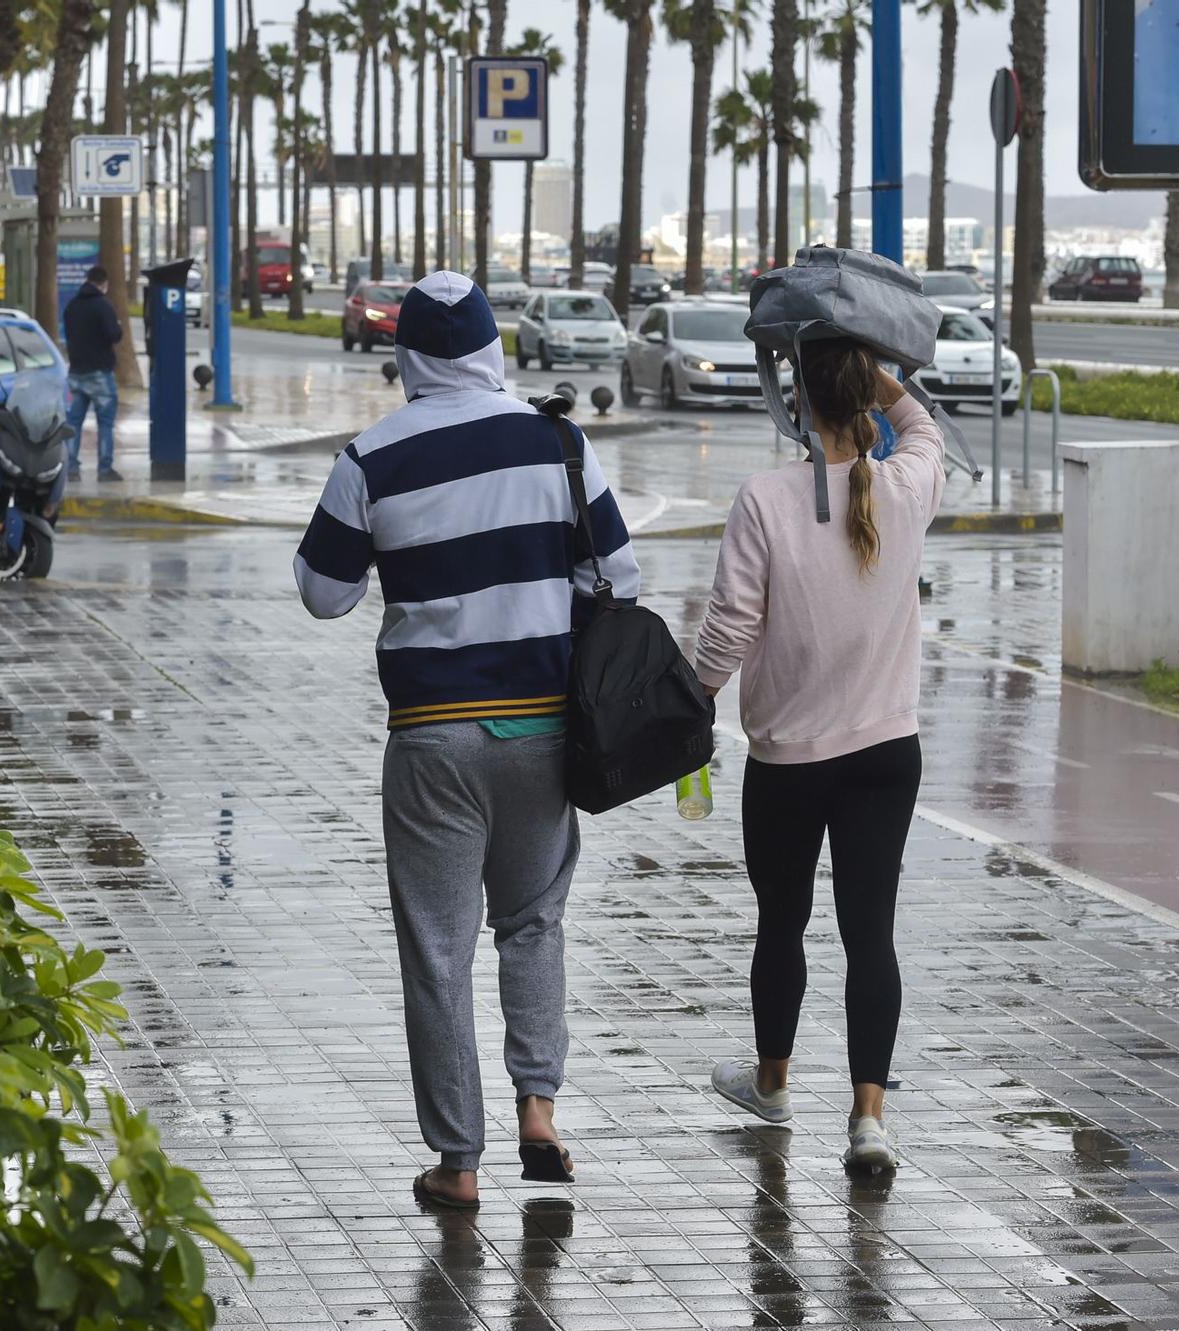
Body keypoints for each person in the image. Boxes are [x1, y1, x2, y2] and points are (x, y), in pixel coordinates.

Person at [294, 270, 639, 1211]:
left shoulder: (371, 456)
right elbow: (621, 572)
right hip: (544, 735)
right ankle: (539, 1106)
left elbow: (324, 593)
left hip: (432, 743)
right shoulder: (557, 442)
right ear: (492, 347)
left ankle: (459, 1162)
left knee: (439, 951)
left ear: (406, 355)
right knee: (532, 924)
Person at [693, 341, 944, 1174]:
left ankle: (772, 1084)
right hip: (886, 753)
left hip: (788, 759)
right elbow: (922, 425)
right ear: (863, 400)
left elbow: (729, 624)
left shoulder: (766, 498)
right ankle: (869, 1121)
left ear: (798, 402)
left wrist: (693, 696)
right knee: (870, 931)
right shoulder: (907, 485)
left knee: (783, 922)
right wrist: (877, 376)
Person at [63, 265, 124, 482]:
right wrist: (118, 327)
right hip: (99, 373)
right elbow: (113, 335)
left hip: (76, 373)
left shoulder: (72, 306)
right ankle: (104, 469)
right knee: (105, 423)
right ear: (103, 283)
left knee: (73, 423)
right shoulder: (103, 306)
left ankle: (71, 468)